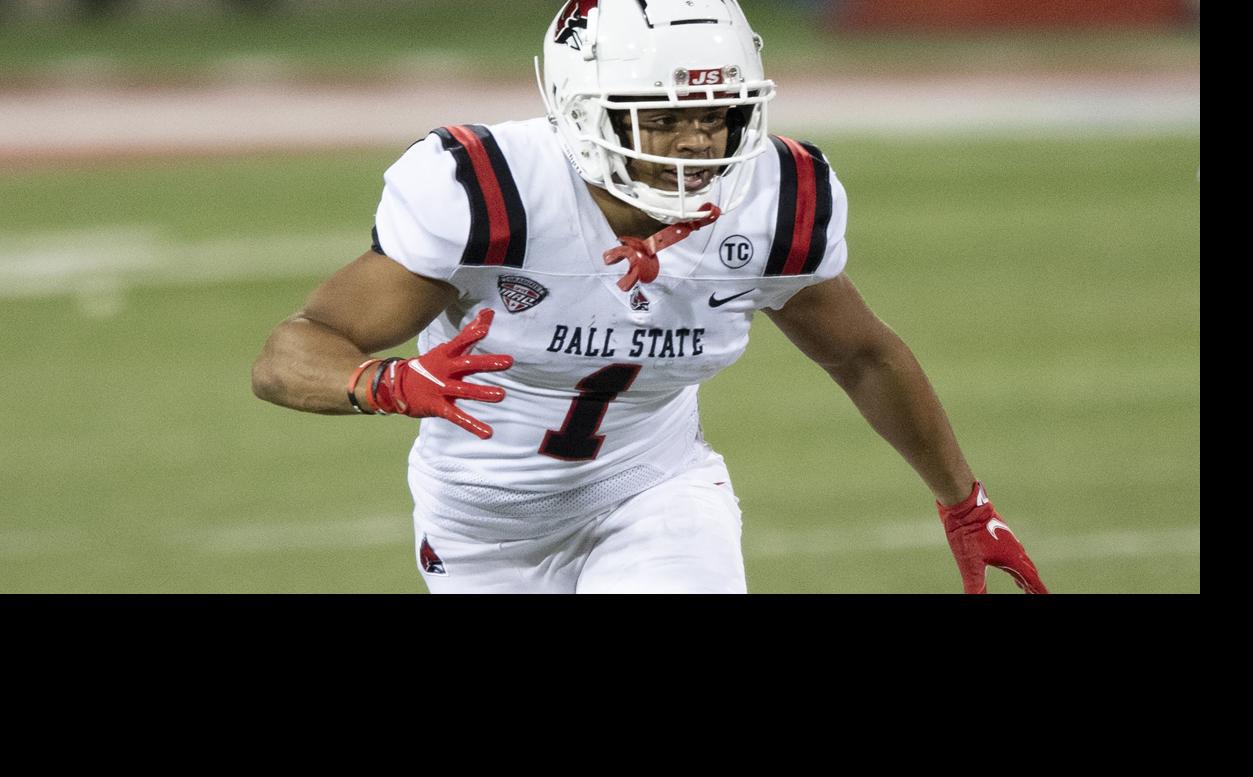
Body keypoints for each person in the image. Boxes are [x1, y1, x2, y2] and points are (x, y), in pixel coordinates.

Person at [250, 0, 1045, 594]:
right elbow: (294, 348)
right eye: (664, 115)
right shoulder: (494, 192)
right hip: (482, 528)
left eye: (717, 112)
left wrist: (963, 501)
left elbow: (863, 353)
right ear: (580, 107)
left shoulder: (770, 200)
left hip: (653, 491)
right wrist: (382, 383)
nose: (699, 140)